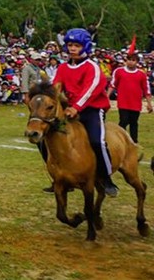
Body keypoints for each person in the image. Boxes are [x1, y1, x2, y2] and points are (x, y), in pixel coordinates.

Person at [53, 28, 118, 196]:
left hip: (92, 110)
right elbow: (56, 87)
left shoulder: (92, 67)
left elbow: (91, 89)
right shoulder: (62, 68)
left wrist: (76, 107)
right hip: (69, 110)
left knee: (97, 142)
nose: (72, 48)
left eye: (76, 45)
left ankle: (106, 177)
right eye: (70, 45)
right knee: (45, 137)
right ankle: (57, 176)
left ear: (85, 46)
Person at [108, 52, 152, 144]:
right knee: (123, 120)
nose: (131, 62)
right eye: (129, 60)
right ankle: (120, 139)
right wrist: (107, 97)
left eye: (133, 60)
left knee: (134, 122)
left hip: (135, 103)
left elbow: (146, 89)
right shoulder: (119, 71)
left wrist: (149, 103)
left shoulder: (141, 74)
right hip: (123, 102)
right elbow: (112, 85)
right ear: (125, 61)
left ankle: (134, 142)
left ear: (137, 62)